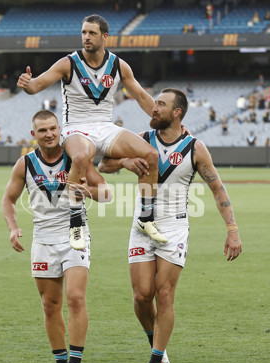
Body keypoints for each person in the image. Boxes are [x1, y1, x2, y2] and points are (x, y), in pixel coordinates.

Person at [98, 89, 242, 363]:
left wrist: (232, 229)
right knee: (141, 297)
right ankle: (157, 344)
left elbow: (217, 189)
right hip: (142, 226)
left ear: (177, 113)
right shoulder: (141, 140)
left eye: (160, 105)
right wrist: (125, 163)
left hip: (174, 229)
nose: (154, 108)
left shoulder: (195, 148)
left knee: (164, 295)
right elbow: (103, 164)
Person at [17, 14, 165, 250]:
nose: (86, 37)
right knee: (78, 157)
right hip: (76, 127)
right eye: (84, 32)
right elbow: (36, 85)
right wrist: (27, 83)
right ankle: (75, 222)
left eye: (92, 33)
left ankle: (145, 218)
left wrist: (164, 122)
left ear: (105, 37)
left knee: (151, 155)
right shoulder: (68, 63)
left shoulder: (118, 65)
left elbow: (141, 97)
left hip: (106, 126)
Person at [2, 110, 111, 363]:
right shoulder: (24, 164)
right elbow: (9, 200)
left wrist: (89, 192)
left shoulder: (76, 158)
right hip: (42, 239)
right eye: (42, 130)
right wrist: (13, 227)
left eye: (53, 128)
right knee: (50, 305)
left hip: (75, 233)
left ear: (59, 129)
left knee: (75, 298)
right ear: (33, 135)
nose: (49, 134)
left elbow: (106, 193)